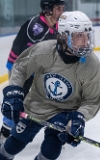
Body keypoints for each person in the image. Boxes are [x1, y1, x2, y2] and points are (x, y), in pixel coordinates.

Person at [0, 11, 100, 160]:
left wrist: (80, 117)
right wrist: (15, 91)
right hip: (37, 104)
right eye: (79, 35)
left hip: (64, 111)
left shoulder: (92, 65)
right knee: (16, 140)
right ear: (64, 35)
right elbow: (21, 67)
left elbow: (92, 100)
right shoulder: (44, 50)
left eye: (87, 35)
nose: (85, 41)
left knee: (52, 148)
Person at [0, 0, 65, 145]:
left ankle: (54, 133)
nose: (61, 12)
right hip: (21, 69)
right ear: (48, 9)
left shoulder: (56, 25)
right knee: (16, 102)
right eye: (58, 9)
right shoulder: (37, 28)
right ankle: (4, 134)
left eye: (62, 8)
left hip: (37, 70)